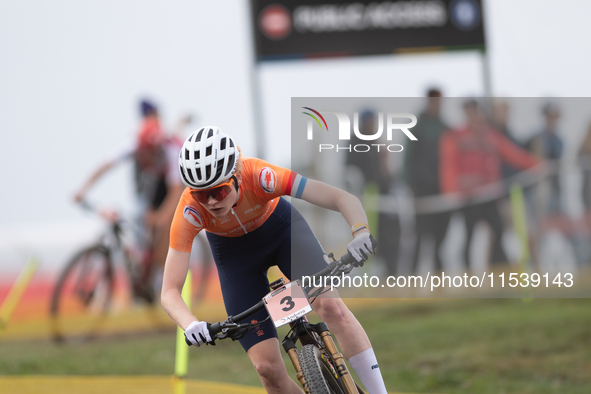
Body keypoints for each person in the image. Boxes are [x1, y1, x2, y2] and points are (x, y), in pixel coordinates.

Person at [161, 127, 388, 394]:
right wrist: (190, 324)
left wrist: (360, 231)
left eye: (219, 192)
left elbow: (342, 198)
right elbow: (169, 291)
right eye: (201, 194)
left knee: (331, 307)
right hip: (235, 259)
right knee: (266, 370)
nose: (210, 202)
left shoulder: (260, 176)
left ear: (236, 176)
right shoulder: (189, 211)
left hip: (281, 232)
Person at [74, 99, 188, 301]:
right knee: (145, 219)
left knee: (164, 225)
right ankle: (144, 271)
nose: (147, 157)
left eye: (151, 154)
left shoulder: (171, 151)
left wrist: (162, 219)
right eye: (144, 154)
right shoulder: (134, 143)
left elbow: (175, 191)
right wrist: (83, 189)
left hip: (175, 181)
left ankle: (162, 279)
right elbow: (106, 165)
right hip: (154, 180)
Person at [440, 99, 541, 269]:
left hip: (490, 195)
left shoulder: (491, 136)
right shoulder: (455, 136)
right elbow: (448, 165)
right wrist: (451, 191)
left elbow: (513, 154)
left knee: (498, 229)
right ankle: (467, 271)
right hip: (469, 197)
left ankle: (498, 267)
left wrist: (536, 164)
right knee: (469, 234)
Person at [404, 88, 451, 274]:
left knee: (440, 241)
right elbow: (407, 161)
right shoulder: (417, 127)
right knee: (420, 237)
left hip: (442, 192)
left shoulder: (446, 127)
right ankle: (412, 281)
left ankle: (440, 282)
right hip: (421, 192)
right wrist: (411, 188)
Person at [525, 101, 564, 214]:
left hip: (555, 185)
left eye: (554, 117)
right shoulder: (535, 139)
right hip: (538, 185)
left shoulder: (559, 141)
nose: (552, 120)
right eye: (550, 117)